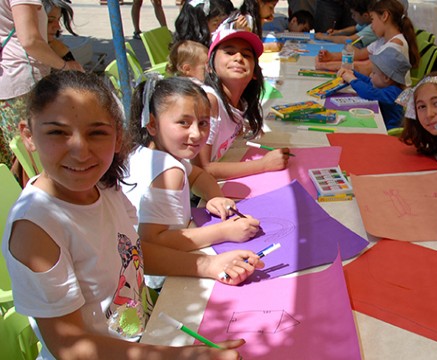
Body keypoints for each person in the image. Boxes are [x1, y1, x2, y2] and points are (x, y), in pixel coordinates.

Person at [2, 71, 262, 359]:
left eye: (96, 132)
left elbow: (132, 252)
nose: (80, 150)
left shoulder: (104, 185)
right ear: (29, 135)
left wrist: (209, 265)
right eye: (57, 132)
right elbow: (70, 347)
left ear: (116, 136)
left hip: (140, 337)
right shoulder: (35, 230)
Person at [123, 76, 261, 256]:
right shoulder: (170, 172)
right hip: (164, 278)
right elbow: (152, 241)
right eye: (183, 123)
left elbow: (198, 176)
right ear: (152, 124)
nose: (196, 134)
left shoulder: (144, 152)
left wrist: (214, 197)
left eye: (203, 123)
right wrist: (223, 232)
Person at [193, 27, 291, 180]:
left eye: (246, 55)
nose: (238, 58)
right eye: (229, 52)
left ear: (254, 73)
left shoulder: (241, 103)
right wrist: (264, 164)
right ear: (209, 66)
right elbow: (202, 169)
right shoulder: (208, 102)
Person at [0, 0, 83, 167]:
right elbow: (30, 40)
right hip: (23, 82)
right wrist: (65, 66)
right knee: (33, 159)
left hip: (9, 83)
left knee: (19, 158)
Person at [316, 0, 418, 86]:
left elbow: (364, 68)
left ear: (385, 16)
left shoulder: (395, 45)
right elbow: (360, 54)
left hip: (393, 102)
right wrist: (331, 57)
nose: (371, 26)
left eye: (372, 19)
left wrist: (324, 66)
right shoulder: (383, 40)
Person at [338, 47, 409, 129]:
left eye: (374, 73)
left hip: (388, 132)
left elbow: (369, 92)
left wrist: (352, 80)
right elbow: (370, 81)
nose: (371, 75)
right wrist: (353, 73)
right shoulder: (385, 85)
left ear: (386, 78)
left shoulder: (394, 93)